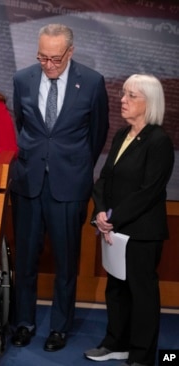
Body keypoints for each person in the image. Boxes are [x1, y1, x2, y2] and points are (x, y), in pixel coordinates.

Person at [10, 23, 109, 352]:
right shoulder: (23, 79)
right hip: (28, 183)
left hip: (69, 186)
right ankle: (23, 322)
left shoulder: (92, 82)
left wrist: (74, 166)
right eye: (42, 57)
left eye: (55, 58)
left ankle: (59, 327)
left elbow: (97, 134)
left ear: (70, 52)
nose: (48, 65)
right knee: (25, 260)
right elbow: (20, 127)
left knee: (67, 262)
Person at [84, 74, 174, 366]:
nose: (122, 100)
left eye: (131, 96)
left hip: (141, 233)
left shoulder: (159, 141)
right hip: (114, 230)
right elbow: (105, 178)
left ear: (150, 103)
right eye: (124, 94)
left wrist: (112, 217)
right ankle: (116, 343)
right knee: (116, 290)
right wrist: (100, 211)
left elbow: (148, 192)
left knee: (141, 294)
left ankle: (142, 355)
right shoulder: (123, 134)